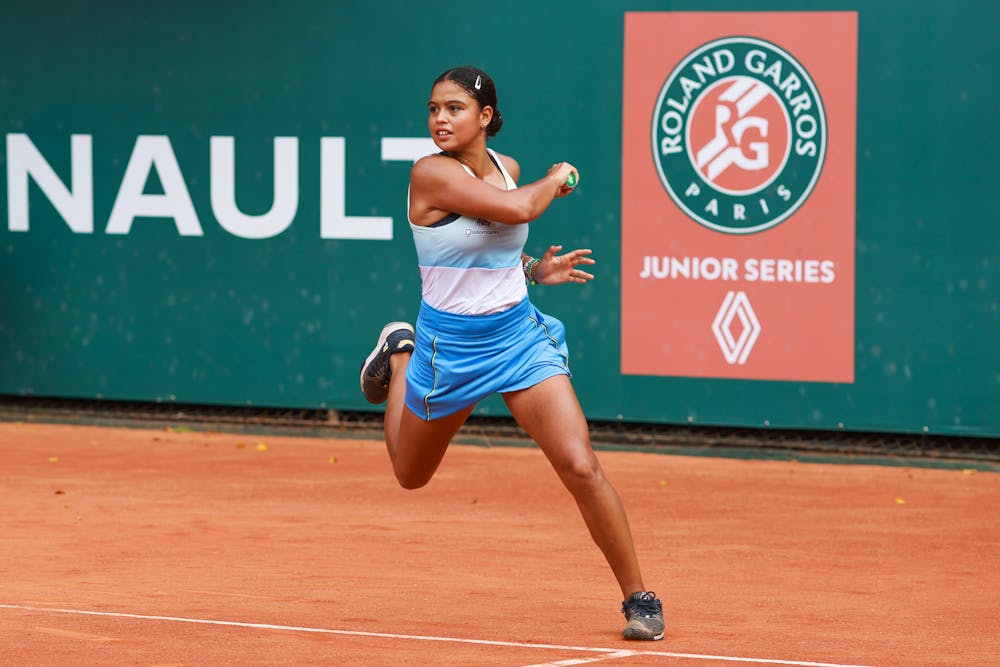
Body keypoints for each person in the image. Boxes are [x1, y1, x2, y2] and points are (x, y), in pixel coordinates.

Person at [359, 65, 664, 641]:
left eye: (453, 108)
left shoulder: (508, 170)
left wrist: (534, 271)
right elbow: (521, 210)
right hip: (449, 346)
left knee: (580, 464)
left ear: (486, 118)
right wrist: (559, 178)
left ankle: (639, 598)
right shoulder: (429, 174)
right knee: (409, 475)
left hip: (518, 338)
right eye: (433, 109)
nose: (440, 119)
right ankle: (401, 352)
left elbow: (495, 246)